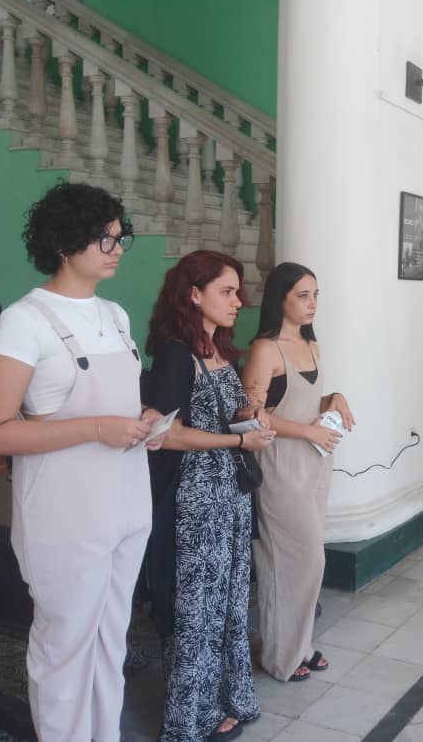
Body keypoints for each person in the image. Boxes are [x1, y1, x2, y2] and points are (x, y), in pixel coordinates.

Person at [0, 183, 163, 742]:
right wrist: (98, 429)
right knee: (64, 645)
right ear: (63, 242)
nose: (117, 246)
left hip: (126, 502)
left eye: (120, 235)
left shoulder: (117, 315)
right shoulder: (26, 320)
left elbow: (119, 405)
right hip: (65, 514)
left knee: (112, 638)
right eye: (105, 236)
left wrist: (142, 421)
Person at [145, 250, 275, 741]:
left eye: (238, 291)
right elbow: (167, 433)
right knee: (196, 613)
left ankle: (227, 697)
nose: (239, 301)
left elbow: (221, 410)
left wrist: (249, 415)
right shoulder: (177, 353)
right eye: (227, 291)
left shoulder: (217, 347)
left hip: (229, 496)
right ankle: (189, 720)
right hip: (197, 502)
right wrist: (239, 440)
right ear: (194, 294)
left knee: (227, 604)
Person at [240, 263, 355, 683]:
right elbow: (253, 417)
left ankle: (298, 645)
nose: (312, 304)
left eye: (316, 295)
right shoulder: (265, 349)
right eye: (303, 295)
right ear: (280, 299)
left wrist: (335, 398)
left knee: (304, 562)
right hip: (280, 467)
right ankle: (280, 654)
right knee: (295, 560)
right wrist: (307, 429)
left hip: (316, 463)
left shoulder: (311, 344)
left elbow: (308, 400)